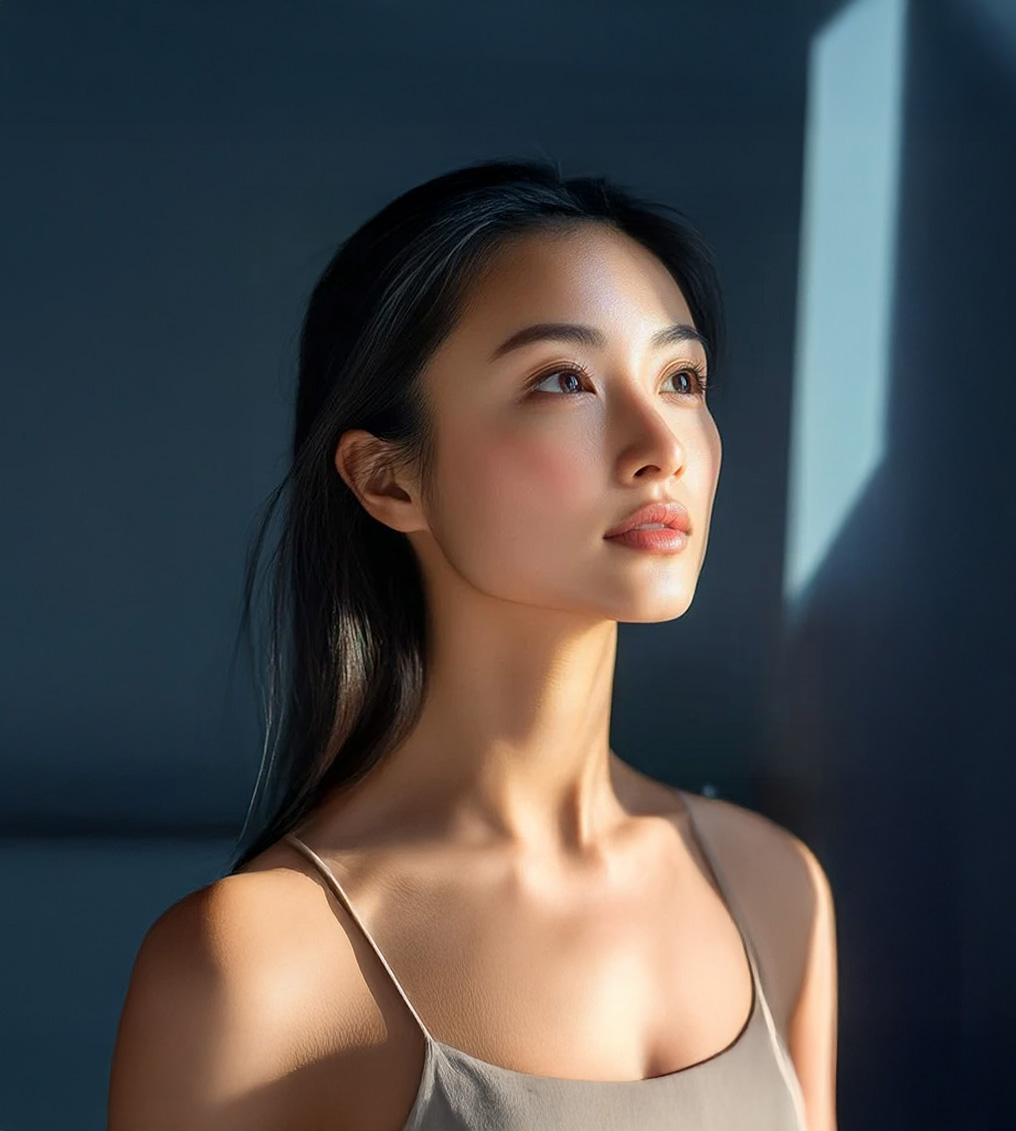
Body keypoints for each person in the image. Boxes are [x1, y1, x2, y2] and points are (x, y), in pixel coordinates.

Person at [108, 158, 838, 1131]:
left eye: (679, 378)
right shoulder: (255, 966)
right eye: (562, 380)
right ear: (387, 480)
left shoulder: (775, 890)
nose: (658, 444)